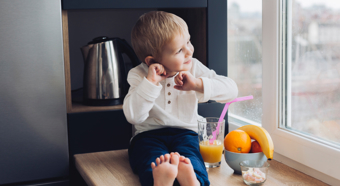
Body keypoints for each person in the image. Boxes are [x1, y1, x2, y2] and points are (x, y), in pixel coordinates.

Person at [123, 11, 238, 186]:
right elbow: (133, 116)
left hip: (187, 133)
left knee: (191, 157)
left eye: (188, 42)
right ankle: (159, 181)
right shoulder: (138, 75)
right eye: (179, 50)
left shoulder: (193, 68)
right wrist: (151, 83)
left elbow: (232, 90)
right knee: (149, 159)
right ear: (153, 60)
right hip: (148, 136)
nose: (189, 51)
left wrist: (198, 84)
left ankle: (194, 181)